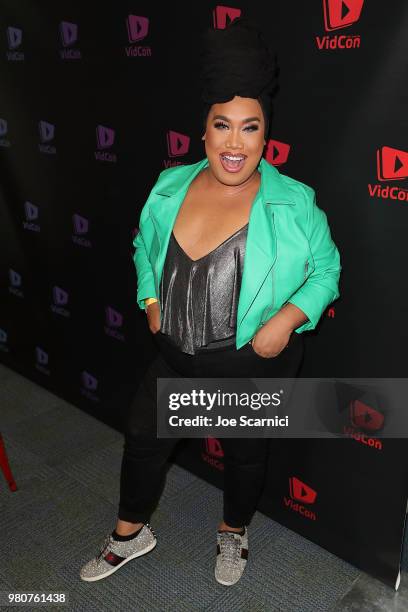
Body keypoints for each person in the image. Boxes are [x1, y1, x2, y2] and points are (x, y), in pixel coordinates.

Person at [80, 17, 341, 586]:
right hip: (176, 357)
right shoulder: (168, 186)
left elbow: (326, 270)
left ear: (265, 135)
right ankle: (130, 533)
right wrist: (151, 298)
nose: (235, 143)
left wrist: (289, 319)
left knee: (246, 456)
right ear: (204, 131)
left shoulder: (293, 203)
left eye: (250, 128)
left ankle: (233, 534)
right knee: (144, 440)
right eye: (223, 126)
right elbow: (143, 249)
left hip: (251, 367)